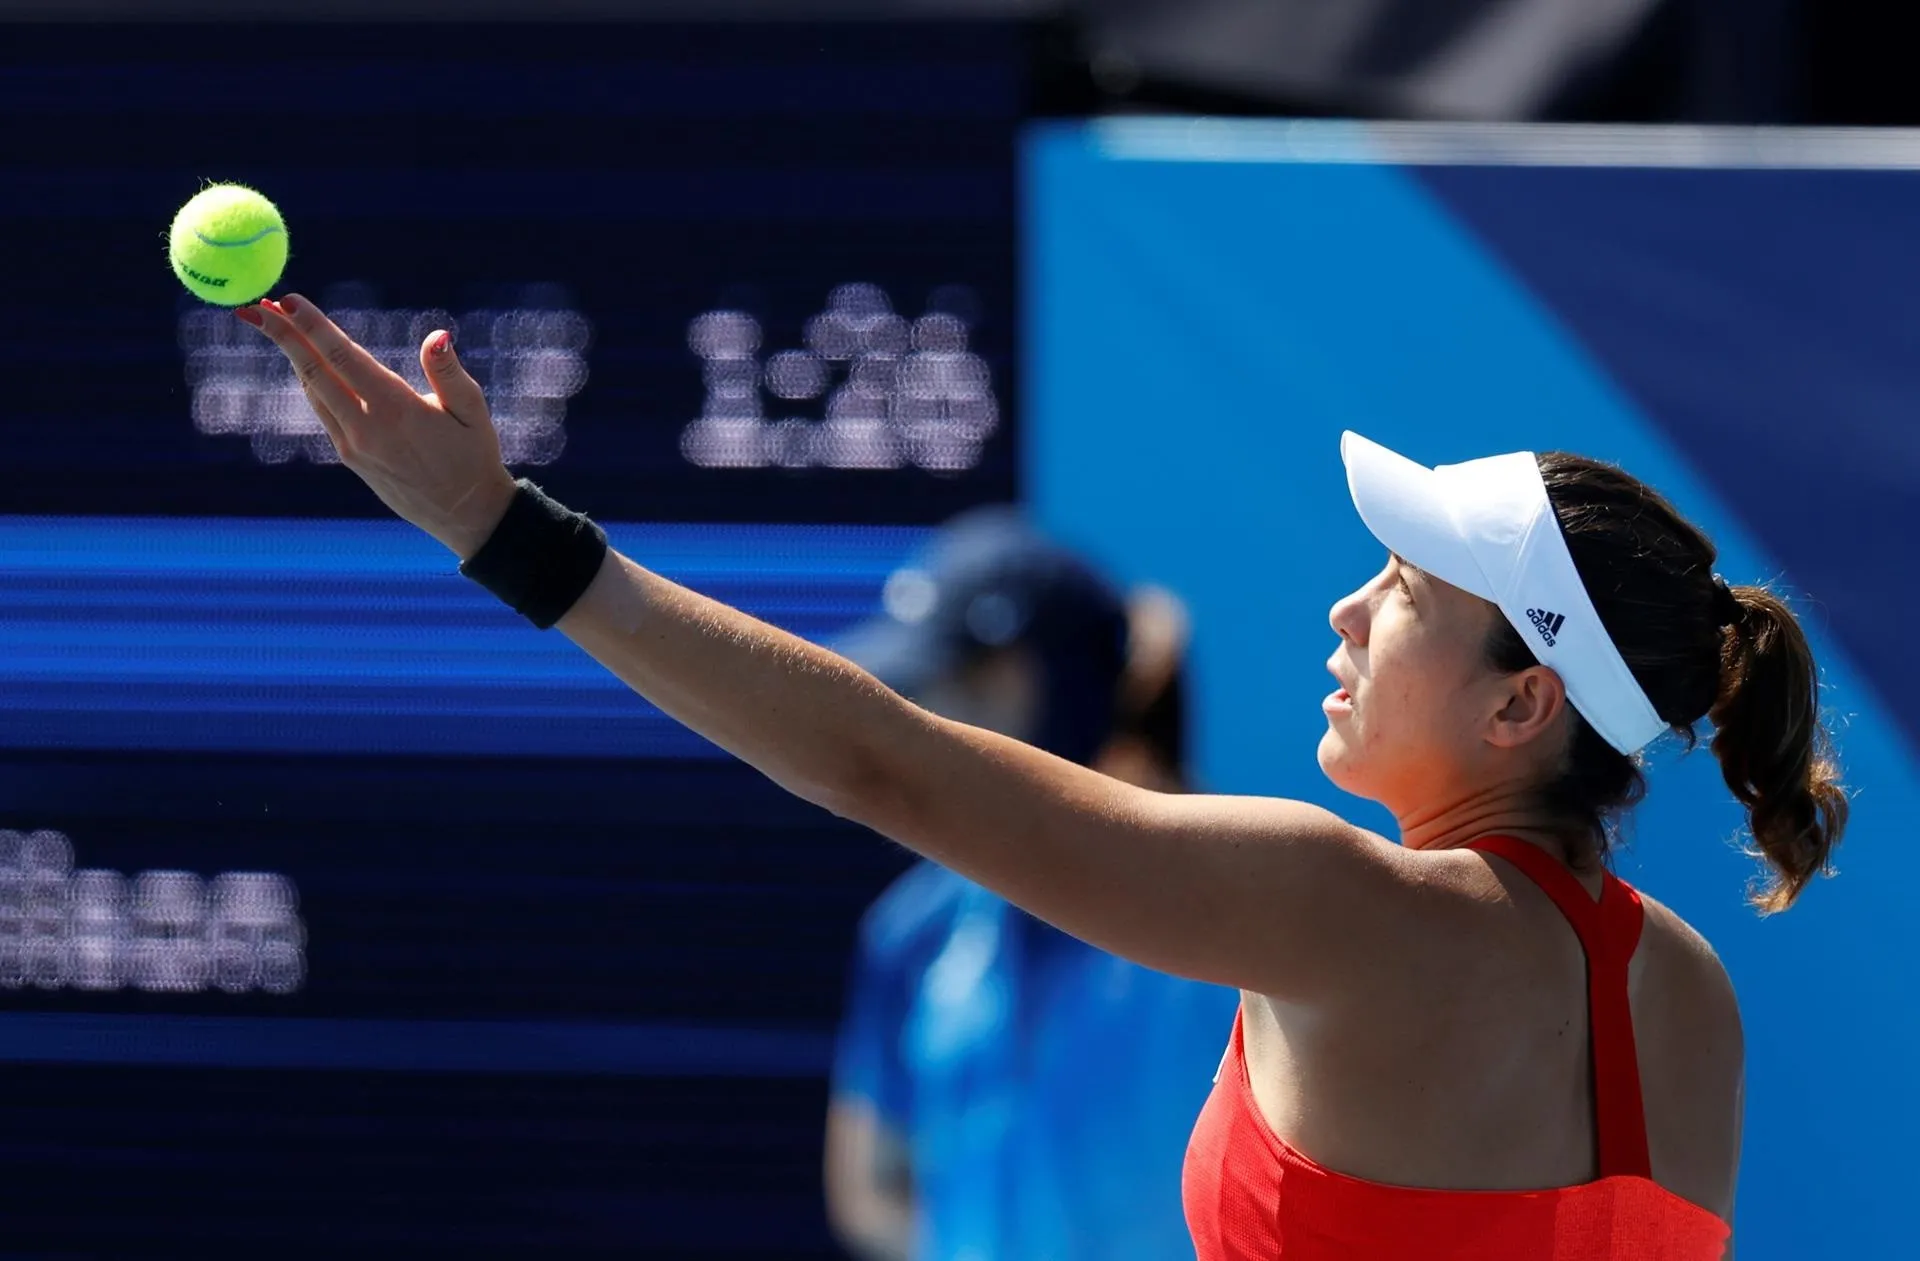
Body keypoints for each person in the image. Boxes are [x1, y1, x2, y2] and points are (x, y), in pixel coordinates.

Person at [241, 294, 1849, 1259]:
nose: (1348, 608)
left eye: (1408, 596)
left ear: (1523, 708)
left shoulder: (1339, 906)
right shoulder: (1686, 997)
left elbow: (888, 766)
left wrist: (502, 533)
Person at [820, 510, 1237, 1261]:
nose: (917, 730)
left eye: (943, 691)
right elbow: (870, 1188)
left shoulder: (1239, 909)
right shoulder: (910, 931)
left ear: (1030, 686)